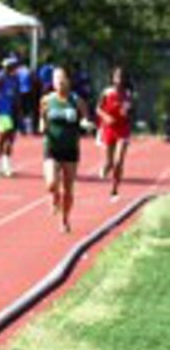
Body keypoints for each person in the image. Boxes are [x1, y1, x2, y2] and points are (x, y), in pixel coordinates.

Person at [40, 66, 93, 233]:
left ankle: (65, 219)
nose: (59, 83)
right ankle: (54, 196)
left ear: (69, 81)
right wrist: (42, 125)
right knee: (51, 184)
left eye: (62, 79)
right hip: (52, 147)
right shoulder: (47, 100)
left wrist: (86, 124)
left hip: (70, 149)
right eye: (56, 79)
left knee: (68, 189)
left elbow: (85, 118)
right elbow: (42, 120)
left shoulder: (76, 101)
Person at [96, 66, 132, 200]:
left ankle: (115, 189)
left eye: (121, 77)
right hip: (108, 128)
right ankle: (105, 168)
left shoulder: (128, 93)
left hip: (122, 129)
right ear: (112, 78)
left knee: (118, 162)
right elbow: (98, 109)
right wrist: (105, 117)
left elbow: (129, 110)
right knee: (109, 163)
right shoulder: (106, 92)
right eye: (117, 76)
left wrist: (127, 111)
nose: (119, 79)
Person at [0, 56, 21, 177]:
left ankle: (6, 163)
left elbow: (17, 96)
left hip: (13, 111)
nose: (14, 68)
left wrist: (20, 111)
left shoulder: (16, 79)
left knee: (11, 139)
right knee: (2, 137)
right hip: (3, 111)